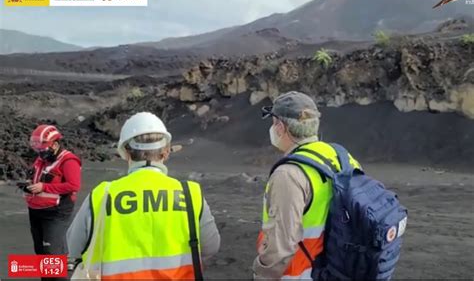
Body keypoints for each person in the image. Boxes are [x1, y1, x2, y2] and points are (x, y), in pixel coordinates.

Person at [67, 112, 220, 280]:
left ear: (126, 152)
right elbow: (211, 246)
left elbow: (72, 248)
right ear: (166, 152)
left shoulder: (102, 195)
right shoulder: (190, 194)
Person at [253, 91, 361, 280]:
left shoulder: (288, 174)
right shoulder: (342, 158)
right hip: (340, 270)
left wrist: (261, 275)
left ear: (280, 127)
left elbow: (281, 246)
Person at [25, 125, 82, 259]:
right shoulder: (41, 159)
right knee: (40, 252)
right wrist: (29, 184)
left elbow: (74, 185)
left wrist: (44, 187)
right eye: (37, 149)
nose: (40, 152)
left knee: (52, 253)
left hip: (56, 212)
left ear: (55, 145)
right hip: (35, 211)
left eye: (42, 148)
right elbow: (36, 176)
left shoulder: (69, 161)